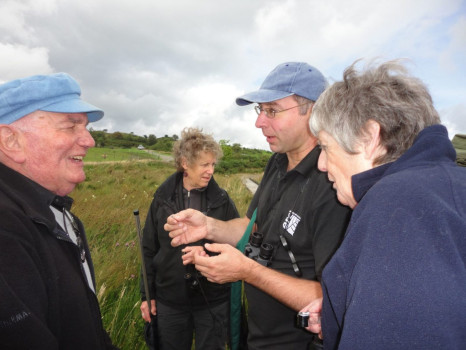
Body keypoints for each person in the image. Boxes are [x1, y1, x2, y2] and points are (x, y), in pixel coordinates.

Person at [165, 62, 351, 349]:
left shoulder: (334, 184)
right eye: (260, 110)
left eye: (273, 110)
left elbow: (335, 300)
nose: (259, 122)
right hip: (257, 336)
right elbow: (253, 226)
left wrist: (247, 271)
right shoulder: (277, 163)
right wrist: (209, 226)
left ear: (312, 112)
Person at [303, 60, 466, 349]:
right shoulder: (445, 187)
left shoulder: (399, 206)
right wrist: (345, 311)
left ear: (368, 137)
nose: (321, 164)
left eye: (326, 147)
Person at [0, 73, 118, 349]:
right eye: (70, 126)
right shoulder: (6, 228)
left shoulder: (57, 212)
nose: (89, 141)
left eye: (86, 127)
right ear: (11, 141)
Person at [140, 127, 239, 350]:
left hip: (213, 300)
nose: (210, 171)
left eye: (213, 164)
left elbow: (236, 243)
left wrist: (209, 253)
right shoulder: (161, 199)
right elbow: (148, 248)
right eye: (205, 164)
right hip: (169, 301)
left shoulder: (222, 200)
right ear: (185, 163)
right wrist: (147, 296)